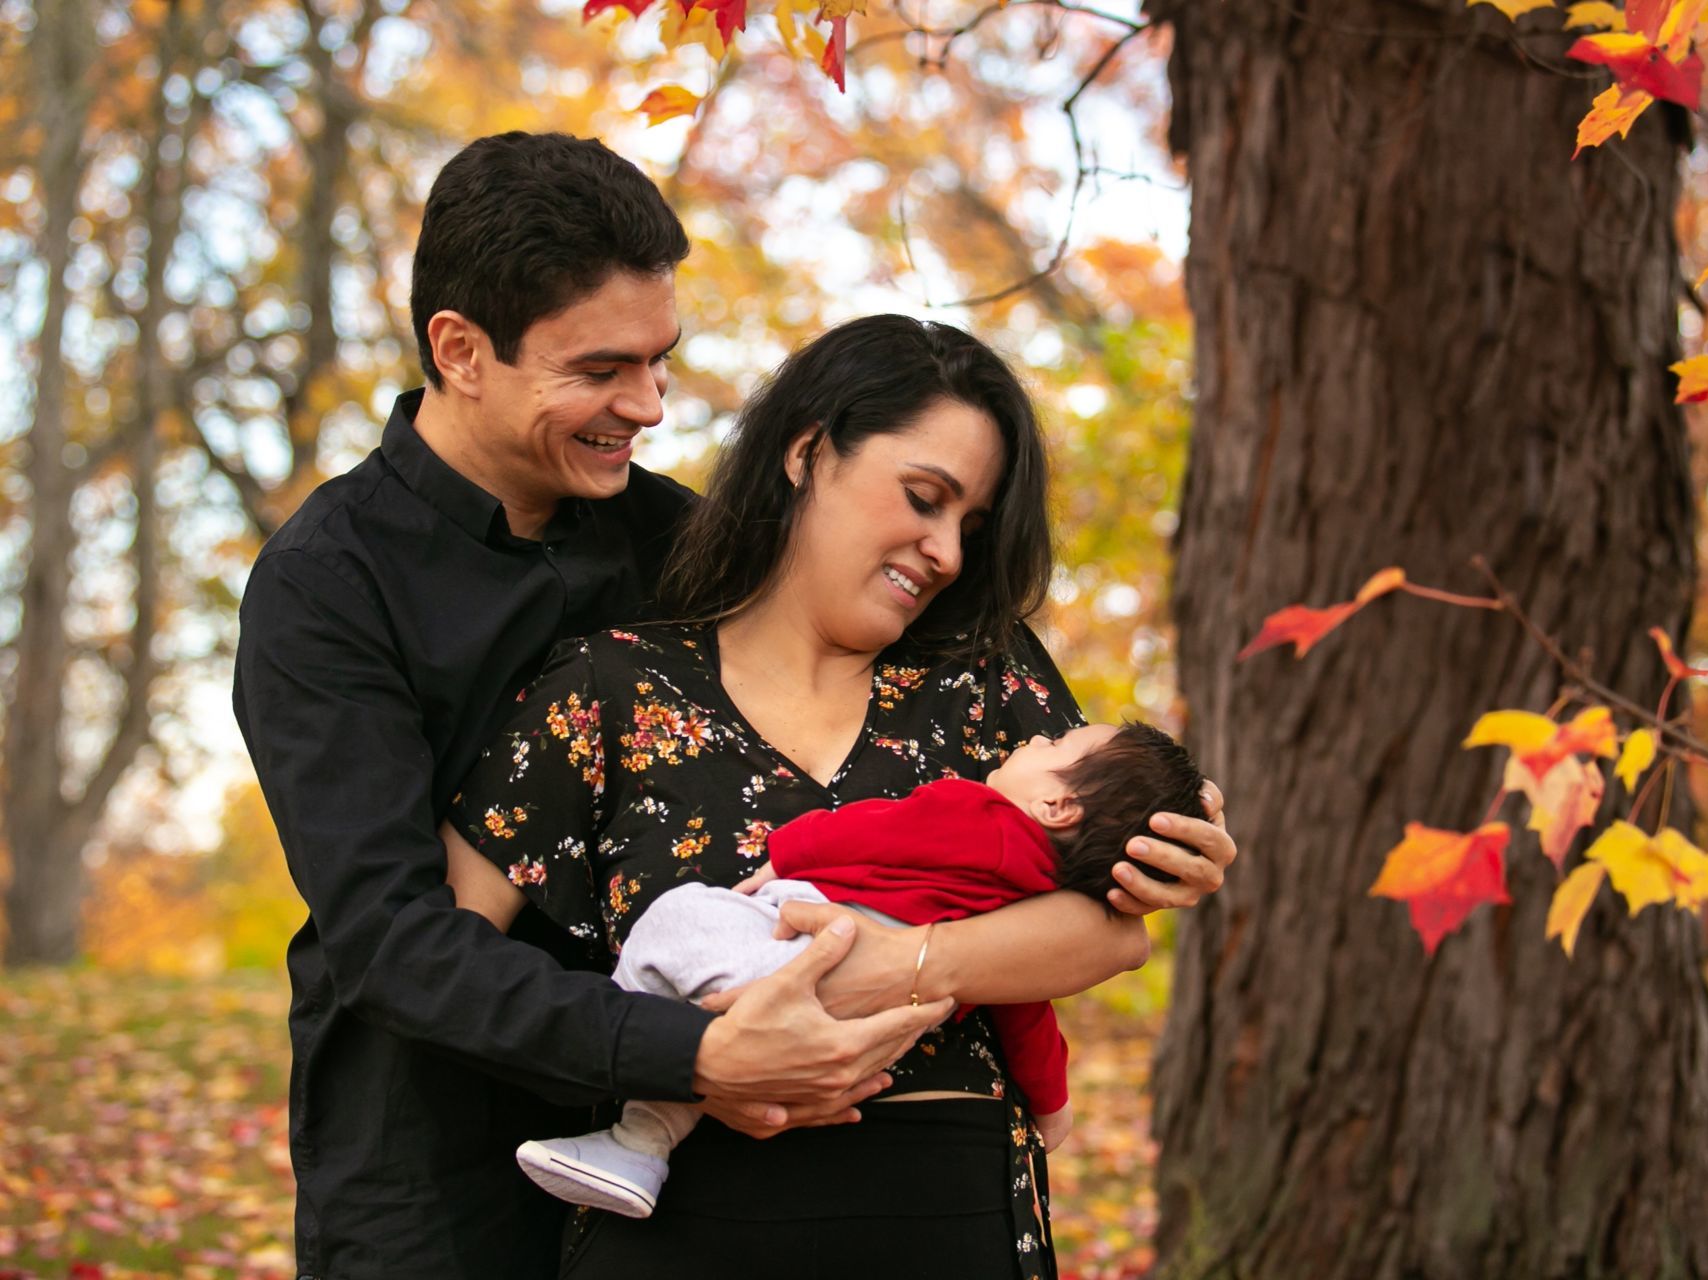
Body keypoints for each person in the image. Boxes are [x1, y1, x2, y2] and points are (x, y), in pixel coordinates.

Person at [232, 133, 1237, 1280]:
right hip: (434, 1145)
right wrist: (703, 1050)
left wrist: (1168, 826)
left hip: (700, 1145)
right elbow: (395, 940)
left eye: (662, 360)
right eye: (605, 368)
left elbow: (1071, 822)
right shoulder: (329, 586)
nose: (650, 405)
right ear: (460, 350)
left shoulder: (684, 546)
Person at [438, 312, 1220, 1279]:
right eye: (924, 498)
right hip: (684, 1229)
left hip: (952, 1224)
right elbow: (447, 963)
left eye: (970, 527)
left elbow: (1108, 934)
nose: (947, 553)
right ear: (808, 451)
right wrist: (681, 1054)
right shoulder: (610, 690)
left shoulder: (986, 685)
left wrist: (910, 962)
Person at [449, 720, 1207, 1219]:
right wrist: (1052, 1105)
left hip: (799, 947)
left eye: (1059, 742)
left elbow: (883, 830)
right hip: (876, 1032)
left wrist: (791, 851)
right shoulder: (1022, 908)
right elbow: (1025, 1010)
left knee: (674, 920)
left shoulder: (976, 814)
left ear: (1056, 805)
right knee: (715, 1045)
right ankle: (640, 1149)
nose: (1038, 734)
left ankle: (635, 1108)